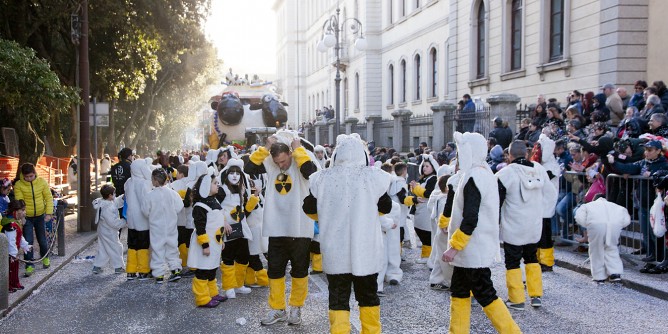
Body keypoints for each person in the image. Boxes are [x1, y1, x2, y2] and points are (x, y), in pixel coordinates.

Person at [302, 134, 392, 334]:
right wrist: (365, 211)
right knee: (368, 296)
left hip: (336, 249)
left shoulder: (322, 178)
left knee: (338, 298)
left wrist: (327, 214)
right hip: (366, 247)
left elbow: (308, 208)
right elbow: (385, 206)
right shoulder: (373, 176)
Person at [442, 132, 521, 333]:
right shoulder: (483, 173)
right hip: (472, 249)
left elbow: (470, 217)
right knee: (459, 292)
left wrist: (454, 246)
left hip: (471, 249)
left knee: (485, 293)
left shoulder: (474, 177)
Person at [244, 130, 320, 326]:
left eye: (284, 161)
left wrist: (298, 150)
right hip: (277, 227)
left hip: (300, 226)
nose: (280, 165)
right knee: (275, 271)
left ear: (290, 152)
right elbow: (249, 166)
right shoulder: (270, 161)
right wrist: (266, 148)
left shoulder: (303, 157)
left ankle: (296, 308)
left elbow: (312, 175)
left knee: (300, 270)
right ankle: (278, 308)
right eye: (277, 162)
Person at [497, 140, 557, 310]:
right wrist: (541, 213)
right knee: (532, 259)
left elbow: (496, 201)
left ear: (510, 155)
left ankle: (516, 299)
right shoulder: (539, 169)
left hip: (513, 225)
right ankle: (536, 295)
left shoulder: (505, 173)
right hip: (533, 224)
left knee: (513, 262)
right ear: (526, 153)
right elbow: (550, 194)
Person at [216, 158, 260, 298]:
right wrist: (224, 222)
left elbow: (245, 211)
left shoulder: (242, 189)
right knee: (228, 258)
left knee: (243, 257)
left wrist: (255, 197)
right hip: (227, 230)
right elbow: (215, 208)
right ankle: (229, 286)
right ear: (226, 174)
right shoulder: (221, 190)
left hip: (241, 228)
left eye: (237, 173)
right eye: (231, 172)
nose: (235, 175)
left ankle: (239, 284)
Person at [188, 170, 229, 308]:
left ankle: (212, 293)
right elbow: (200, 228)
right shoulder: (200, 206)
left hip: (215, 243)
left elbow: (218, 222)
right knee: (203, 271)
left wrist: (221, 241)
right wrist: (205, 245)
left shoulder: (214, 200)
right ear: (206, 186)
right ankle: (202, 298)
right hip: (205, 244)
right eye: (215, 183)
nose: (218, 185)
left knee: (212, 269)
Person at [574, 194, 631, 283]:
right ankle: (615, 273)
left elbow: (579, 217)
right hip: (614, 227)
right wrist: (618, 225)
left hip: (596, 226)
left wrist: (588, 225)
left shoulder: (587, 206)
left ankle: (599, 276)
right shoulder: (616, 206)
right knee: (612, 248)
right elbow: (627, 220)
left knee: (596, 250)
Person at [143, 169, 184, 283]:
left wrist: (151, 215)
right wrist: (172, 212)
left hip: (157, 227)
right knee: (172, 248)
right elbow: (180, 205)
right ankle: (175, 269)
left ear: (155, 180)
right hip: (171, 225)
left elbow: (145, 210)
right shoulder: (172, 193)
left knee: (157, 249)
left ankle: (159, 274)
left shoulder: (150, 195)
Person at [13, 163, 53, 277]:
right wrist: (22, 217)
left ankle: (45, 258)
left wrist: (49, 213)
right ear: (23, 175)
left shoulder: (42, 182)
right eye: (27, 177)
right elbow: (19, 201)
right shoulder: (19, 185)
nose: (29, 179)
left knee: (42, 239)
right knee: (28, 241)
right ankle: (29, 264)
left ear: (34, 173)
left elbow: (48, 197)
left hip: (40, 215)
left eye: (31, 176)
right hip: (27, 217)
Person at [124, 159, 153, 281]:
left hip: (131, 219)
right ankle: (143, 270)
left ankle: (131, 270)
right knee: (143, 245)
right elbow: (145, 203)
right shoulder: (144, 183)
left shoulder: (128, 182)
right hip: (142, 220)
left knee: (132, 245)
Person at [408, 154, 439, 265]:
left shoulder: (434, 178)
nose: (425, 168)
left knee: (426, 233)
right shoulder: (424, 178)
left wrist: (416, 188)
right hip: (419, 209)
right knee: (420, 230)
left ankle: (428, 256)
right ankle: (426, 256)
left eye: (427, 166)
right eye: (424, 166)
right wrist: (414, 188)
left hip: (426, 210)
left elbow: (427, 193)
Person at [91, 184, 126, 274]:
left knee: (104, 248)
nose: (115, 195)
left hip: (103, 230)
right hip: (109, 231)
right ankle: (118, 267)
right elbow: (114, 223)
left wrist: (122, 197)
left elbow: (116, 202)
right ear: (110, 195)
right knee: (116, 247)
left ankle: (97, 266)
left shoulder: (104, 202)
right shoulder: (107, 208)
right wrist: (125, 221)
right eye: (114, 193)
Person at [1, 199, 32, 292]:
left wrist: (25, 245)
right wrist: (13, 254)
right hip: (9, 254)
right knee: (9, 270)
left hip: (14, 253)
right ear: (16, 211)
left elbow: (19, 236)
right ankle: (8, 286)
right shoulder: (10, 224)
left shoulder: (15, 222)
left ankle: (15, 283)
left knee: (14, 269)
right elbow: (11, 241)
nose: (24, 212)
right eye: (22, 210)